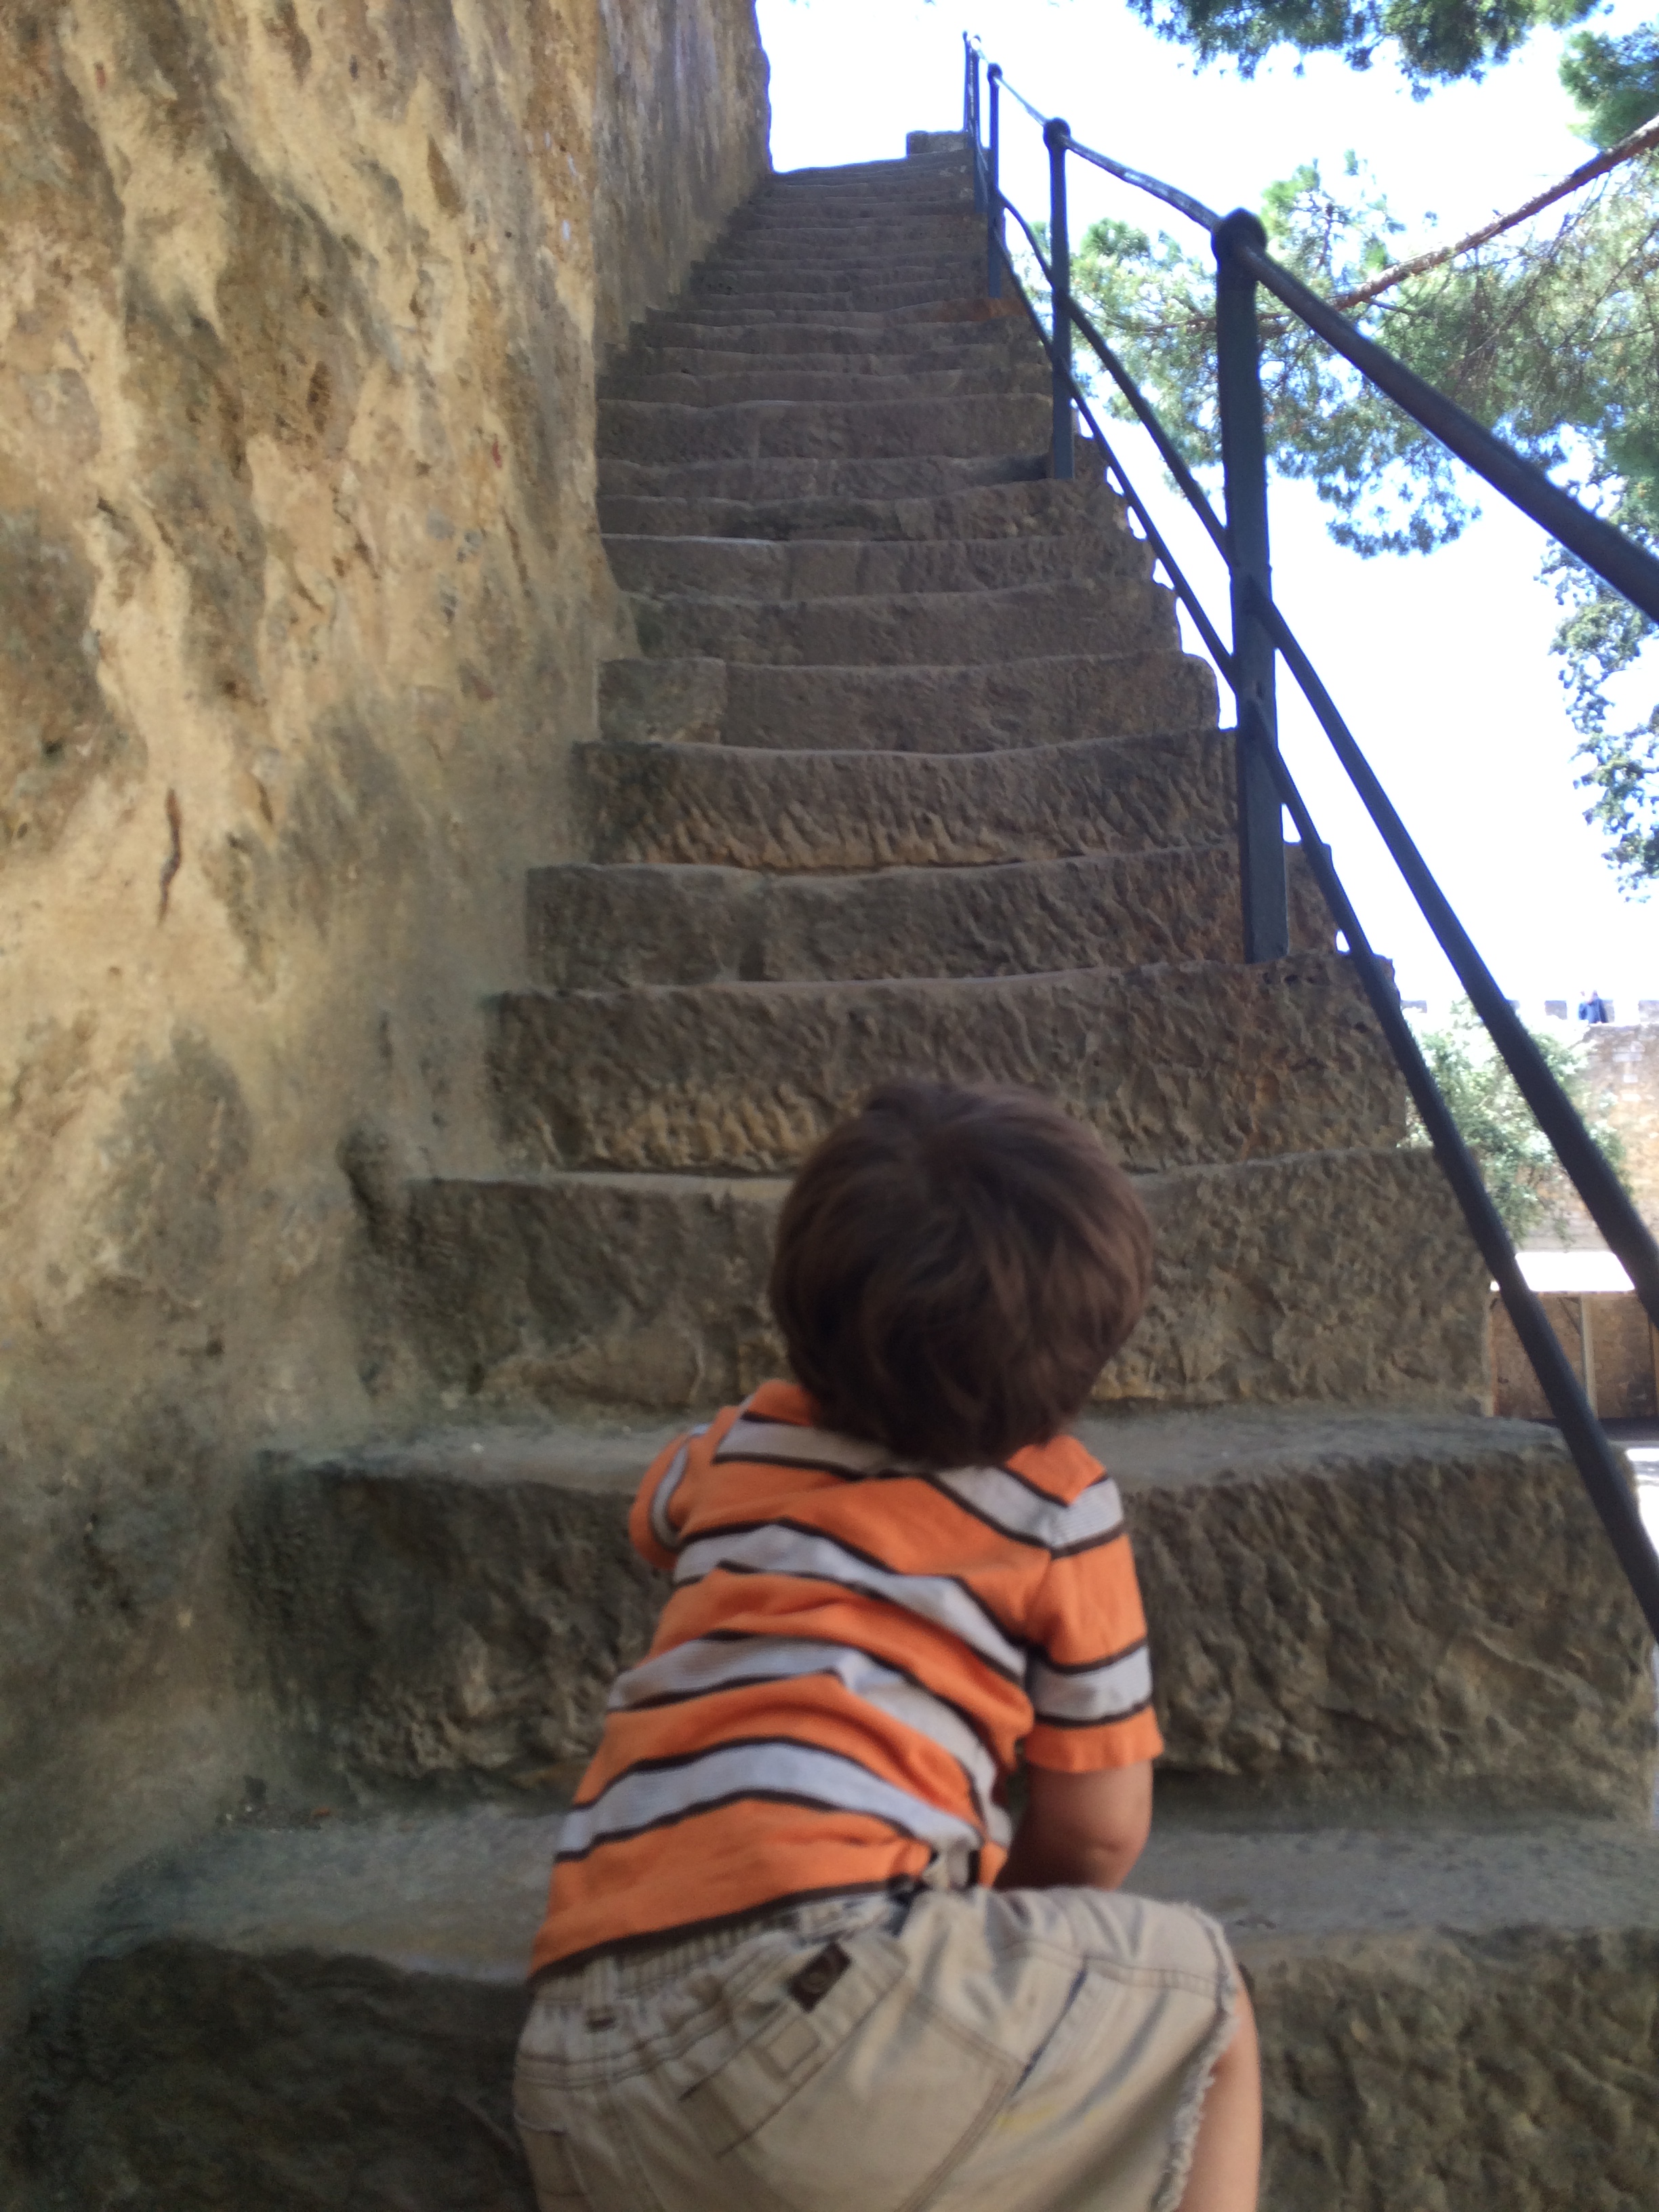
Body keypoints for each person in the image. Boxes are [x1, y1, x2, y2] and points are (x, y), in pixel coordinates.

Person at [514, 1082, 1261, 2212]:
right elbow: (1100, 1833)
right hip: (828, 2017)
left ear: (795, 1296)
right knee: (1210, 2006)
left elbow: (656, 1523)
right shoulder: (1059, 1507)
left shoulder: (736, 1445)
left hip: (575, 2063)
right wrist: (992, 1933)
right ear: (1085, 1351)